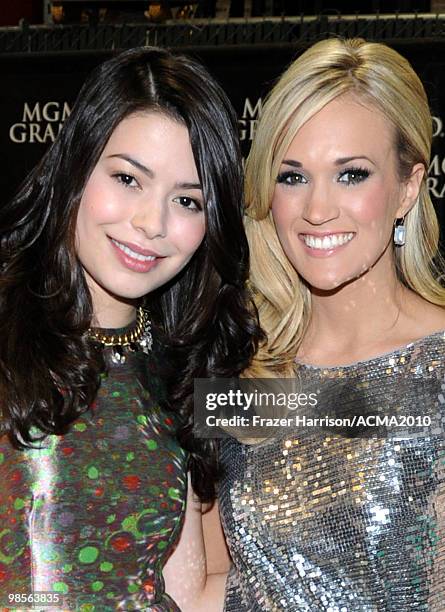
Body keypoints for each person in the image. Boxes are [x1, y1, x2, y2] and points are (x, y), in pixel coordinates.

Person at [0, 47, 260, 611]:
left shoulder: (184, 369)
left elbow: (191, 590)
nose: (152, 223)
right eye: (127, 178)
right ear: (76, 164)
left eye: (187, 200)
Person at [217, 38, 445, 610]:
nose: (317, 210)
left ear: (408, 188)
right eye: (293, 176)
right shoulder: (238, 368)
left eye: (352, 175)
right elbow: (208, 585)